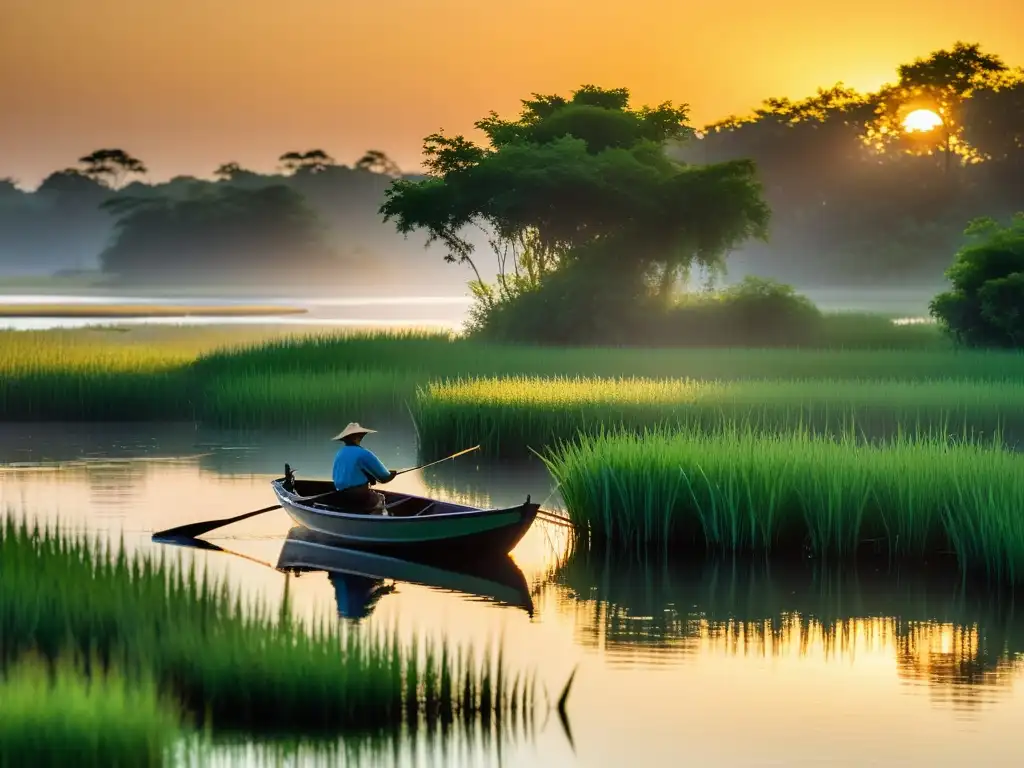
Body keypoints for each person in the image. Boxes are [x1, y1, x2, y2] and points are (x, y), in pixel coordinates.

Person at [331, 422, 397, 513]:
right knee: (380, 498)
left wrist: (370, 477)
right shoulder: (363, 453)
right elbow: (384, 477)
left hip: (341, 495)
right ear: (358, 437)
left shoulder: (339, 453)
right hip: (358, 496)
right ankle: (377, 523)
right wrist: (393, 474)